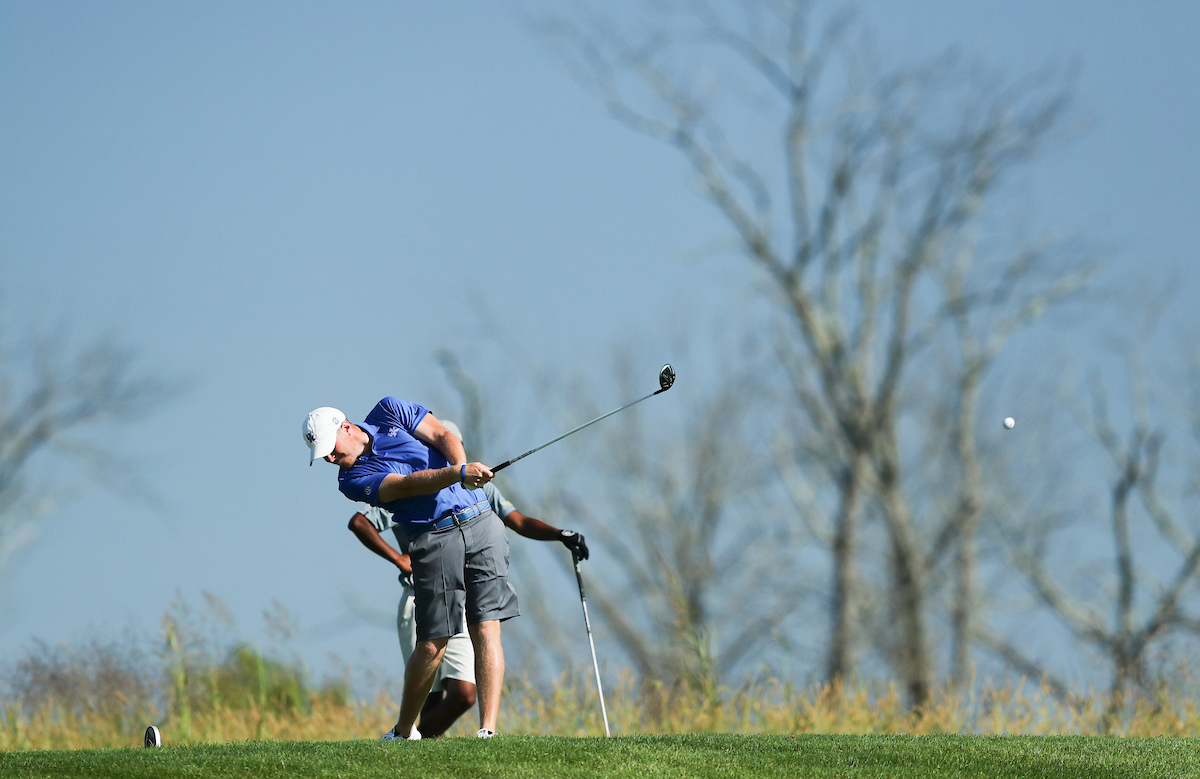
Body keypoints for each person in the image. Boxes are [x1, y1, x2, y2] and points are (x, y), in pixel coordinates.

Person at [346, 421, 588, 737]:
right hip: (421, 596)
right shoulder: (410, 489)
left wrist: (559, 534)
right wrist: (400, 559)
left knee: (463, 692)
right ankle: (408, 740)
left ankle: (472, 734)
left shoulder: (478, 486)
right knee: (431, 690)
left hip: (465, 596)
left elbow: (517, 521)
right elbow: (360, 521)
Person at [303, 400, 510, 740]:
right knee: (432, 643)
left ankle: (488, 730)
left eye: (330, 449)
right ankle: (404, 731)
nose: (329, 458)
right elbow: (407, 485)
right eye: (323, 455)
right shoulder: (352, 479)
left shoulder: (389, 410)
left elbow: (441, 432)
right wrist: (459, 474)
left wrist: (461, 467)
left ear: (346, 427)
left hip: (480, 520)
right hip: (434, 536)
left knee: (486, 625)